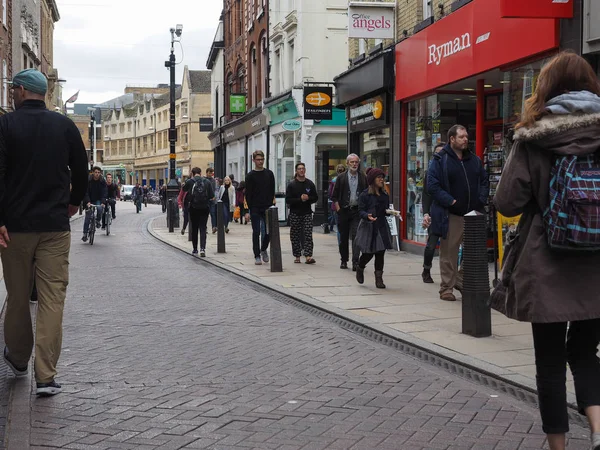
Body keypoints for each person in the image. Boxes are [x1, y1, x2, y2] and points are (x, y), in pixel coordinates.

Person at [490, 52, 600, 450]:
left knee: (549, 363)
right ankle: (599, 429)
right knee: (586, 352)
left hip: (546, 261)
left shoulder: (534, 137)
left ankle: (559, 447)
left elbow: (507, 202)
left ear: (547, 87)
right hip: (597, 265)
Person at [0, 68, 88, 396]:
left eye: (13, 89)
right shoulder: (64, 126)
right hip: (54, 226)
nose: (11, 93)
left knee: (19, 296)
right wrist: (74, 202)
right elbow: (81, 166)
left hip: (15, 228)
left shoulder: (6, 125)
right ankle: (46, 376)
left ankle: (20, 359)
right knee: (53, 299)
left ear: (22, 91)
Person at [427, 125, 489, 302]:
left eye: (466, 136)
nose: (465, 139)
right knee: (449, 253)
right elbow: (432, 186)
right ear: (452, 139)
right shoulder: (440, 160)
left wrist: (481, 199)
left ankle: (460, 279)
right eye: (461, 137)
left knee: (474, 251)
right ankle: (446, 288)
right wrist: (451, 201)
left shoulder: (474, 160)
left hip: (473, 213)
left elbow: (484, 180)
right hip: (452, 213)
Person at [355, 168, 397, 288]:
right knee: (368, 253)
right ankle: (360, 266)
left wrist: (392, 212)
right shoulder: (365, 195)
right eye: (379, 177)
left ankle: (379, 279)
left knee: (380, 252)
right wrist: (366, 216)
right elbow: (360, 211)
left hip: (381, 226)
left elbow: (385, 210)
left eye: (382, 177)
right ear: (372, 180)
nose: (381, 179)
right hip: (368, 227)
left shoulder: (384, 195)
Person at [331, 153, 367, 271]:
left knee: (356, 237)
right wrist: (338, 209)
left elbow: (366, 193)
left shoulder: (362, 177)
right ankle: (344, 260)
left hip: (356, 211)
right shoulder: (341, 178)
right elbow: (334, 196)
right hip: (343, 211)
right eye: (352, 162)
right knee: (343, 237)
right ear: (347, 164)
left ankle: (355, 261)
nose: (354, 164)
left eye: (356, 162)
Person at [244, 150, 275, 265]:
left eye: (262, 159)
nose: (260, 161)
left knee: (268, 232)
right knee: (256, 231)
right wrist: (247, 211)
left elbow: (272, 191)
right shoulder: (250, 176)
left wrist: (272, 205)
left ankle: (263, 249)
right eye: (258, 159)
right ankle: (257, 255)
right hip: (255, 207)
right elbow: (247, 194)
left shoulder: (269, 174)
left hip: (267, 207)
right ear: (253, 160)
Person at [421, 143, 446, 284]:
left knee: (449, 247)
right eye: (437, 153)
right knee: (431, 245)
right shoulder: (430, 172)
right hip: (435, 212)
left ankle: (448, 276)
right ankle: (426, 269)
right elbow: (426, 195)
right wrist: (426, 212)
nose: (440, 156)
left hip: (449, 212)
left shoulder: (452, 170)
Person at [286, 162, 318, 264]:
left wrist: (308, 198)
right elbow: (288, 200)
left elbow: (315, 197)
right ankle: (297, 255)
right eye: (299, 169)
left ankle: (308, 256)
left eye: (303, 169)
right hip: (295, 213)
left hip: (307, 212)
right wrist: (299, 199)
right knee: (295, 235)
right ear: (296, 171)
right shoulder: (292, 185)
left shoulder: (310, 184)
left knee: (308, 234)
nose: (301, 170)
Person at [182, 167, 214, 257]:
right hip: (204, 208)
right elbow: (211, 195)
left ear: (192, 173)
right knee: (203, 228)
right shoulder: (207, 182)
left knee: (195, 228)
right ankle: (203, 249)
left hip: (193, 207)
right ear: (200, 173)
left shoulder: (190, 181)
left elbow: (183, 189)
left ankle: (195, 249)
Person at [82, 167, 107, 241]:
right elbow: (85, 192)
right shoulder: (88, 180)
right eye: (96, 172)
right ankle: (85, 234)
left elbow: (104, 192)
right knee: (88, 216)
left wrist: (103, 202)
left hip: (98, 199)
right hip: (89, 199)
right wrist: (88, 202)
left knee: (100, 209)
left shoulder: (102, 181)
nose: (97, 174)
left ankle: (97, 221)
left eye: (99, 173)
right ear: (93, 172)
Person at [328, 164, 346, 236]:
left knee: (340, 228)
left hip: (336, 206)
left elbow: (330, 194)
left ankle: (341, 245)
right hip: (343, 206)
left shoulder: (334, 180)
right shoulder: (347, 179)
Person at [206, 168, 218, 233]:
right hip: (205, 200)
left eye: (212, 173)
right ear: (207, 173)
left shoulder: (214, 181)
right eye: (210, 173)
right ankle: (204, 228)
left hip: (212, 200)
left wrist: (214, 197)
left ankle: (214, 227)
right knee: (205, 215)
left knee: (213, 213)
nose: (211, 174)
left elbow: (216, 189)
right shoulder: (204, 180)